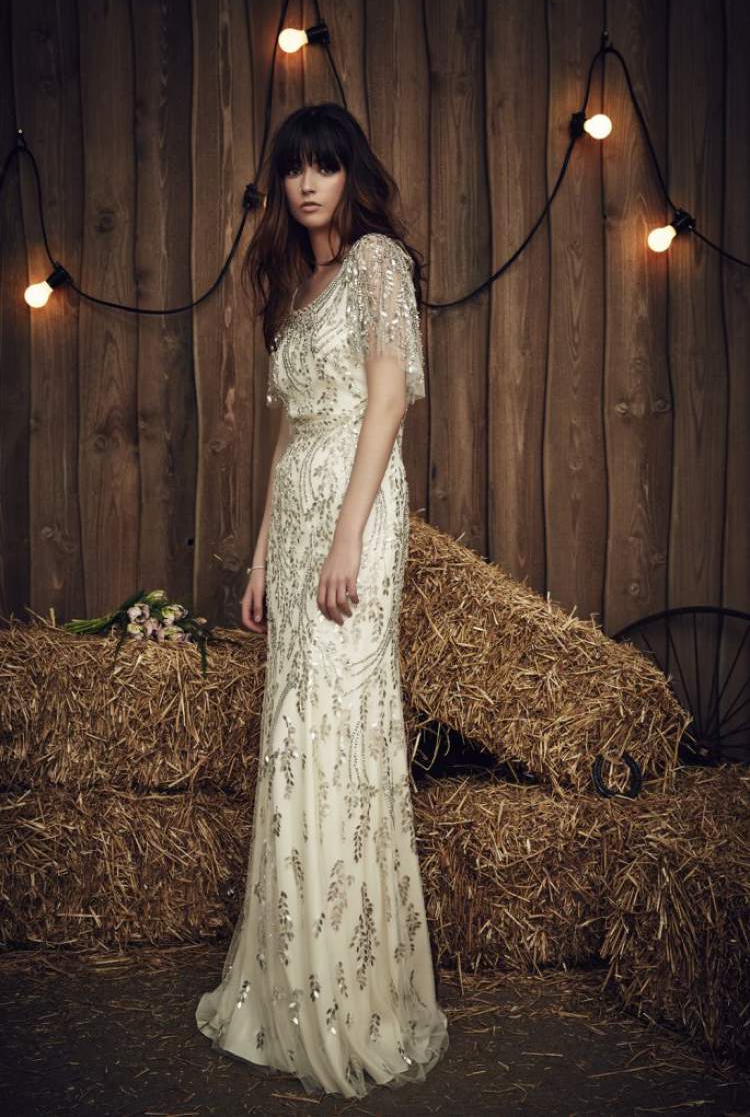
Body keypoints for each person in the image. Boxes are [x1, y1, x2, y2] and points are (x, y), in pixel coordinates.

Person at [195, 102, 449, 1098]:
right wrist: (263, 558)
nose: (307, 184)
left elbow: (384, 401)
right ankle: (289, 983)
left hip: (355, 513)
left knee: (338, 726)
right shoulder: (304, 285)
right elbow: (292, 433)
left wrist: (347, 536)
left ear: (352, 175)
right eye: (293, 169)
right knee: (294, 729)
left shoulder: (382, 263)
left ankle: (351, 991)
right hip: (299, 517)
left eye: (324, 167)